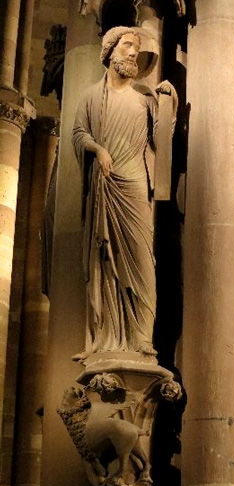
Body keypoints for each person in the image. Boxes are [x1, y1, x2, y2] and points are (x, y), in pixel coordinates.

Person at [72, 26, 177, 361]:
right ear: (110, 51)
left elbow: (161, 143)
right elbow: (77, 132)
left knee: (142, 262)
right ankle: (107, 337)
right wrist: (97, 149)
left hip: (133, 184)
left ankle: (142, 338)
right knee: (104, 262)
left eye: (137, 47)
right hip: (105, 184)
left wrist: (168, 106)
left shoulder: (145, 100)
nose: (133, 53)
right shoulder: (92, 96)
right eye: (127, 46)